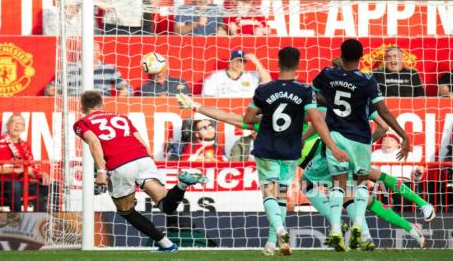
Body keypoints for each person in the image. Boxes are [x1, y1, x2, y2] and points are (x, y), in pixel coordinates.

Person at [175, 93, 427, 251]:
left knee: (367, 179)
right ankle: (403, 228)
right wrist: (196, 107)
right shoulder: (275, 124)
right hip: (316, 165)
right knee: (362, 195)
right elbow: (229, 116)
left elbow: (324, 116)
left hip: (324, 154)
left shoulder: (303, 118)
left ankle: (412, 211)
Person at [242, 46, 348, 256]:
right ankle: (273, 243)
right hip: (291, 150)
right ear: (298, 65)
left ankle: (280, 231)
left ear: (278, 63)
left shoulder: (264, 89)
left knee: (269, 194)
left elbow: (247, 119)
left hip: (267, 148)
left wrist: (263, 117)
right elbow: (317, 120)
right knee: (280, 196)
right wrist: (333, 147)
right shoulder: (304, 90)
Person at [73, 90, 207, 252]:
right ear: (102, 105)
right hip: (143, 158)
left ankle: (166, 244)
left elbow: (94, 142)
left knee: (126, 211)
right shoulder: (120, 117)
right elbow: (141, 140)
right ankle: (182, 184)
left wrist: (101, 171)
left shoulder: (82, 123)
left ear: (83, 107)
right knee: (166, 205)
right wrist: (146, 161)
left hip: (120, 163)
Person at [312, 39, 409, 252]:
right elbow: (383, 111)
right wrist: (403, 135)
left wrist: (328, 99)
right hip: (360, 139)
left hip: (335, 135)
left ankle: (336, 229)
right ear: (362, 57)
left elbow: (313, 92)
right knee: (361, 183)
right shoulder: (367, 80)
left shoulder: (327, 74)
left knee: (338, 185)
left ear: (341, 54)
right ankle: (357, 224)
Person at [0, 114, 50, 212]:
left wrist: (41, 174)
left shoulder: (25, 146)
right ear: (7, 126)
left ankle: (39, 220)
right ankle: (18, 221)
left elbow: (32, 167)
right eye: (14, 122)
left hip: (22, 183)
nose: (17, 126)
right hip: (1, 183)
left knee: (49, 186)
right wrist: (17, 170)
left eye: (20, 124)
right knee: (15, 185)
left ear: (24, 128)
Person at [45, 42, 132, 96]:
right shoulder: (68, 69)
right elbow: (50, 88)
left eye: (93, 50)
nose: (89, 53)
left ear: (99, 52)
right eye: (86, 50)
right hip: (75, 107)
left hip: (101, 107)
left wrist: (125, 91)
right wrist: (51, 90)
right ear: (80, 53)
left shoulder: (109, 69)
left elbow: (128, 88)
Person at [201, 50, 271, 97]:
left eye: (242, 61)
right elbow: (207, 96)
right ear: (230, 62)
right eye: (236, 61)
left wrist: (257, 62)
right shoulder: (216, 76)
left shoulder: (251, 76)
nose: (239, 64)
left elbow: (268, 81)